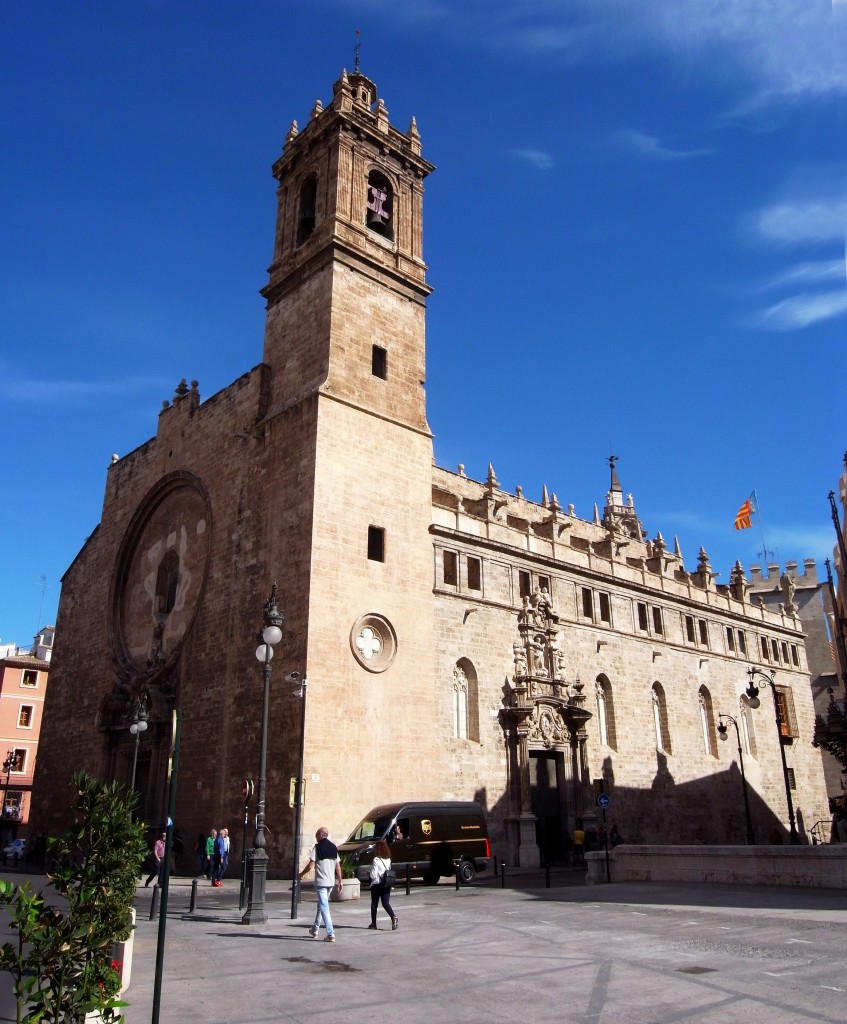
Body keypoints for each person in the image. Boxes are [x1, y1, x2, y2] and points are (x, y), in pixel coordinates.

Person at [298, 826, 343, 942]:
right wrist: (340, 881)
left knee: (324, 907)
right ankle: (315, 929)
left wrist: (301, 874)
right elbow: (338, 866)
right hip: (330, 882)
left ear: (321, 835)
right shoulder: (333, 848)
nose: (316, 837)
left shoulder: (317, 848)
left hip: (321, 882)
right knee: (321, 906)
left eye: (317, 835)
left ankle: (330, 933)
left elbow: (310, 865)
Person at [368, 840, 398, 931]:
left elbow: (373, 875)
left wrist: (368, 873)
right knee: (385, 903)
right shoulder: (388, 859)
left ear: (378, 849)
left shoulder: (376, 860)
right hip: (387, 884)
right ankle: (393, 916)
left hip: (377, 884)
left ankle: (374, 923)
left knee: (374, 904)